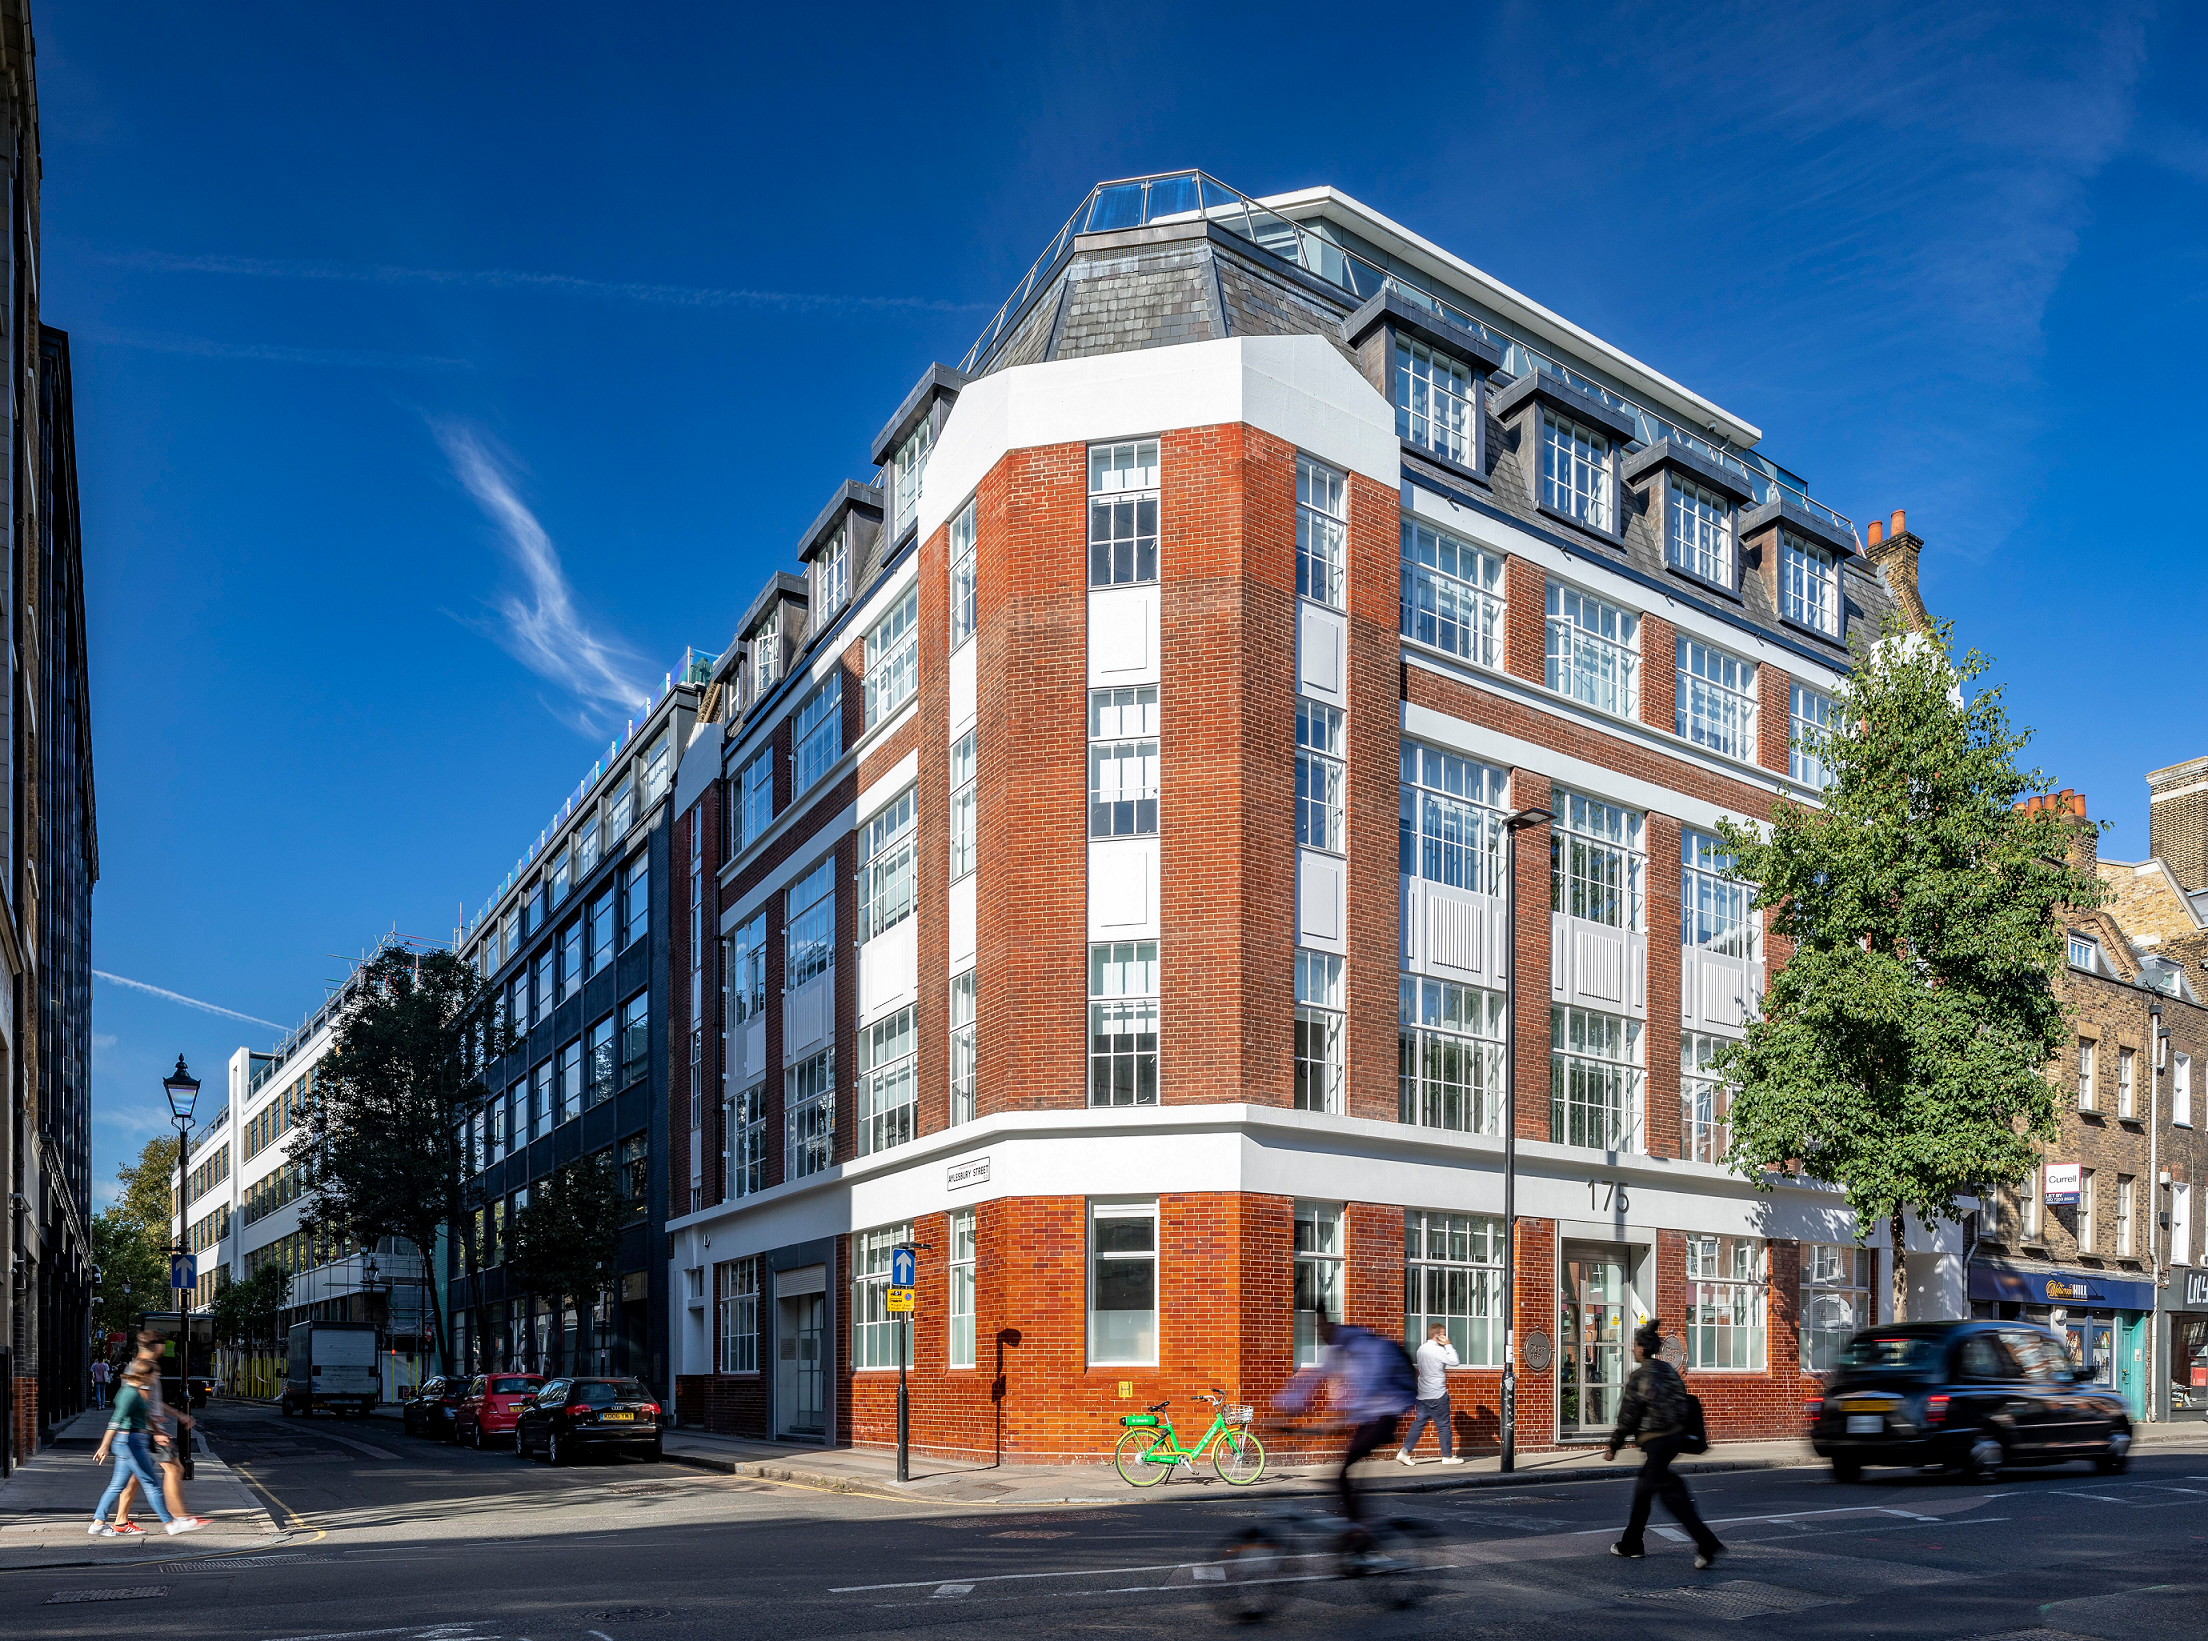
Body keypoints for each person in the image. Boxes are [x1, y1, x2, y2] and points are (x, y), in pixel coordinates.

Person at [1275, 1318, 1417, 1527]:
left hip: (1388, 1415)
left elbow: (1373, 1387)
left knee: (1343, 1473)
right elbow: (1313, 1380)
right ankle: (1355, 1526)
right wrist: (1284, 1408)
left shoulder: (1369, 1346)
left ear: (1332, 1327)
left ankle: (1358, 1531)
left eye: (1323, 1331)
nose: (1321, 1337)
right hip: (1369, 1417)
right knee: (1343, 1475)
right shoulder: (1337, 1348)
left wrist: (1341, 1419)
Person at [1604, 1321, 1722, 1568]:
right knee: (1644, 1488)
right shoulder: (1669, 1371)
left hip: (1657, 1440)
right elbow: (1683, 1401)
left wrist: (1613, 1446)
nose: (1633, 1349)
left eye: (1635, 1345)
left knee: (1671, 1493)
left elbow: (1628, 1416)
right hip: (1677, 1437)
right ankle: (1632, 1543)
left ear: (1641, 1348)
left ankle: (1707, 1542)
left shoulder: (1640, 1376)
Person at [89, 1361, 206, 1537]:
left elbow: (143, 1414)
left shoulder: (135, 1391)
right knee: (151, 1483)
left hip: (131, 1440)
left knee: (117, 1485)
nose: (156, 1379)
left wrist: (157, 1430)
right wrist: (104, 1446)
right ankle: (170, 1523)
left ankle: (97, 1524)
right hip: (131, 1442)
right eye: (154, 1375)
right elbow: (115, 1421)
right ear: (145, 1375)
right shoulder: (130, 1393)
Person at [110, 1333, 195, 1533]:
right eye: (162, 1345)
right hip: (145, 1431)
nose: (164, 1349)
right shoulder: (143, 1368)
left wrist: (179, 1415)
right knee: (174, 1469)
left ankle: (120, 1521)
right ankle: (178, 1519)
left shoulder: (143, 1366)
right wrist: (156, 1431)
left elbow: (155, 1402)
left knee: (134, 1476)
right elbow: (141, 1404)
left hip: (140, 1431)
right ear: (154, 1346)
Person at [1397, 1323, 1464, 1466]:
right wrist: (1448, 1345)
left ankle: (1404, 1452)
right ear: (1437, 1335)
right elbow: (1455, 1361)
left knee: (1418, 1424)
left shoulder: (1421, 1349)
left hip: (1423, 1394)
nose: (1445, 1336)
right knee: (1444, 1426)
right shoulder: (1438, 1350)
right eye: (1443, 1334)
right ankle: (1447, 1456)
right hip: (1437, 1394)